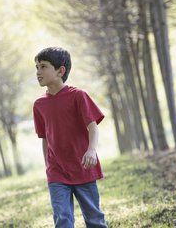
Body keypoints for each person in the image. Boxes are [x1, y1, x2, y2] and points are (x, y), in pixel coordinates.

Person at [33, 47, 108, 228]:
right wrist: (48, 167)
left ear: (60, 70)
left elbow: (93, 128)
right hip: (57, 172)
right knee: (62, 219)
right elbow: (45, 138)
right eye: (36, 67)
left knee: (94, 219)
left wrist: (91, 150)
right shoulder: (39, 105)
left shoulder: (78, 96)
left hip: (83, 166)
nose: (38, 72)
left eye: (43, 66)